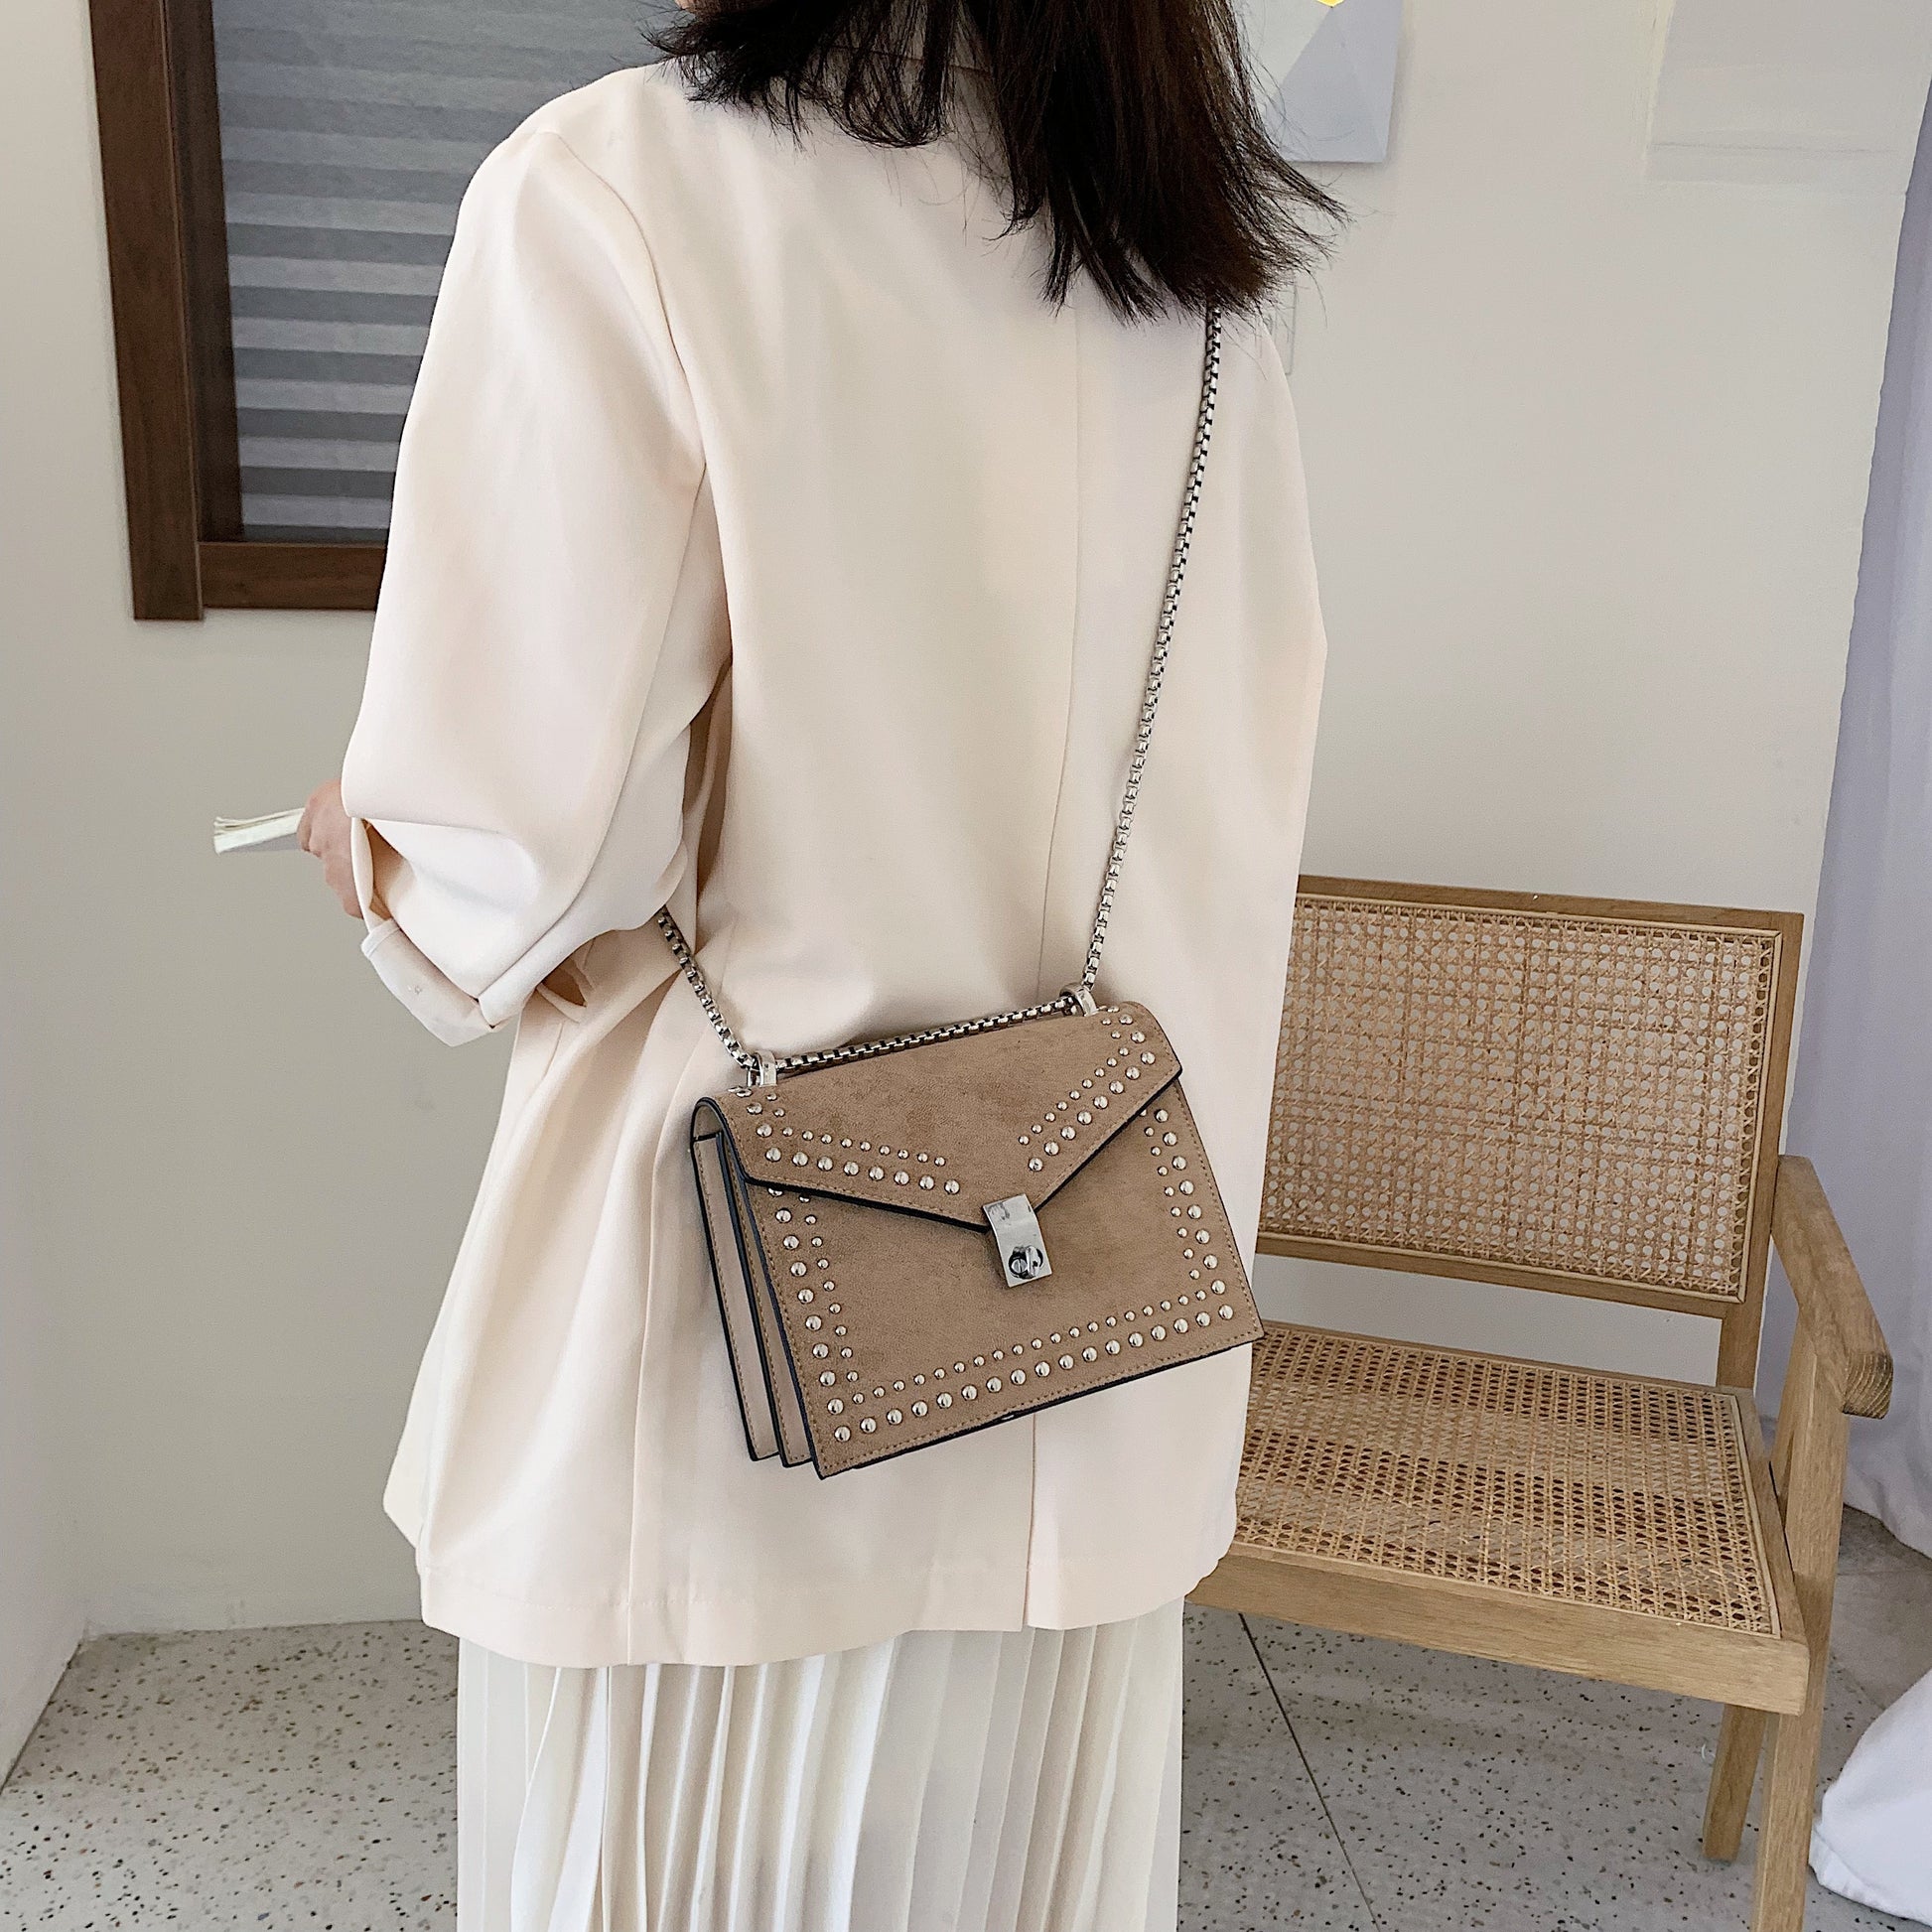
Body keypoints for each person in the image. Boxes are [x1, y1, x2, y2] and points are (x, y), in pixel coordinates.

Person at [298, 1, 1333, 1924]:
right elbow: (1232, 785)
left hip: (729, 1382)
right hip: (1089, 1368)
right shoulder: (1188, 272)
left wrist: (370, 838)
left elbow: (523, 848)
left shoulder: (615, 193)